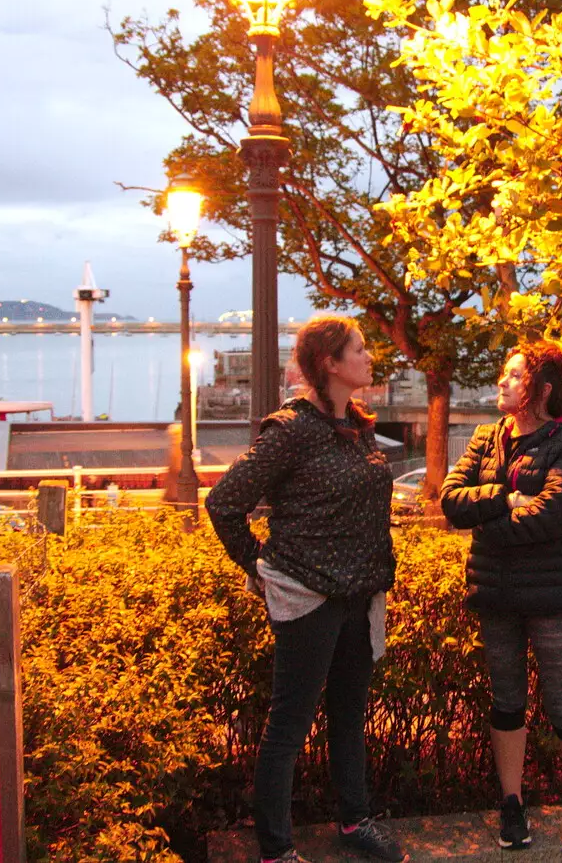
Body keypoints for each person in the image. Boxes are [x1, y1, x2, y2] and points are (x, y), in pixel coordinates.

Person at [206, 315, 408, 863]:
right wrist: (264, 571)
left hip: (360, 595)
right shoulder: (291, 429)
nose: (369, 359)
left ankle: (355, 822)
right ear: (330, 364)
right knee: (289, 727)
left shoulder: (359, 425)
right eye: (359, 350)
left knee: (350, 716)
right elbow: (223, 504)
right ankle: (276, 849)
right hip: (308, 597)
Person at [440, 343, 562, 863]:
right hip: (496, 593)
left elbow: (556, 513)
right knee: (507, 703)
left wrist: (488, 522)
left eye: (513, 376)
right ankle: (512, 802)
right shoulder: (486, 437)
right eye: (503, 373)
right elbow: (451, 501)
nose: (502, 382)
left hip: (552, 596)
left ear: (541, 390)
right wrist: (507, 498)